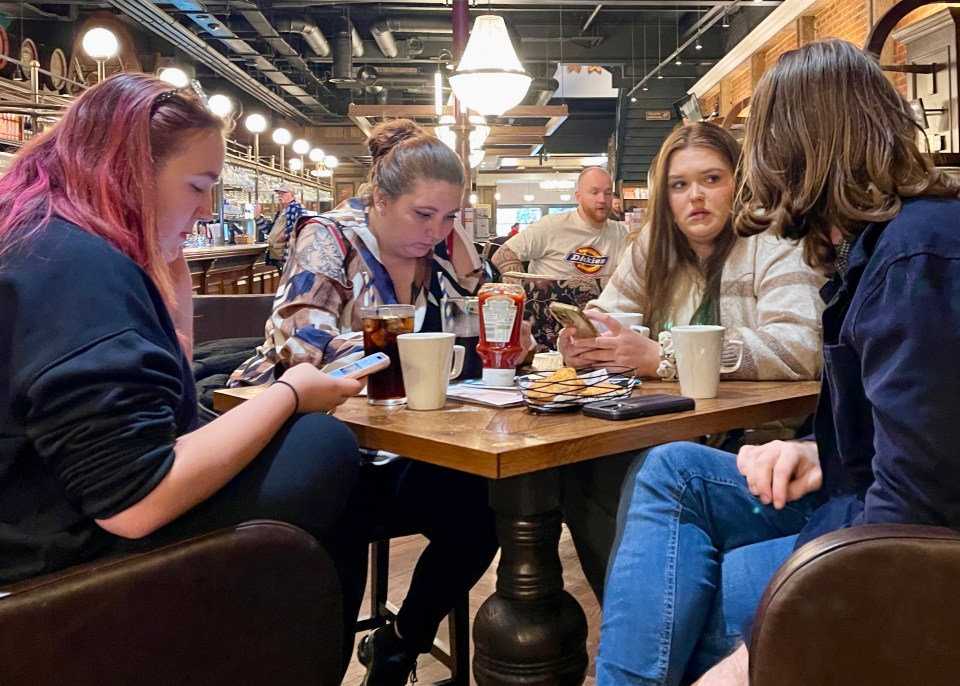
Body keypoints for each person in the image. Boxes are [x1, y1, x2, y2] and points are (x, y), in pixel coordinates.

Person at [596, 39, 960, 686]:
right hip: (850, 493)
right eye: (681, 184)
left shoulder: (914, 261)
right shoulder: (891, 246)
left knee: (697, 600)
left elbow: (915, 506)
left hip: (903, 550)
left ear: (794, 150)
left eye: (751, 154)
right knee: (670, 468)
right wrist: (822, 453)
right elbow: (928, 436)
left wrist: (746, 658)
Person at [0, 72, 365, 672]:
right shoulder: (77, 268)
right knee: (322, 445)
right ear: (127, 168)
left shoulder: (41, 236)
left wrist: (171, 278)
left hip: (34, 513)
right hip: (48, 565)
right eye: (198, 186)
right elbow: (133, 501)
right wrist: (290, 393)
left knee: (327, 485)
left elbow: (162, 392)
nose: (203, 211)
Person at [231, 119, 500, 686]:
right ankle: (321, 668)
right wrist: (397, 345)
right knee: (338, 527)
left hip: (401, 446)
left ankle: (400, 644)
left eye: (450, 216)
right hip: (321, 446)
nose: (436, 229)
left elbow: (483, 324)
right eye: (424, 214)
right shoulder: (328, 237)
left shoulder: (445, 255)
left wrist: (484, 295)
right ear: (380, 198)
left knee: (483, 510)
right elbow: (301, 343)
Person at [556, 122, 825, 601]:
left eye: (712, 179)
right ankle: (640, 619)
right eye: (679, 185)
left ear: (740, 183)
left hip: (759, 444)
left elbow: (802, 347)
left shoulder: (775, 240)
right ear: (665, 196)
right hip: (664, 429)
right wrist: (584, 343)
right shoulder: (651, 248)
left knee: (641, 474)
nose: (694, 197)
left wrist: (662, 356)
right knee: (576, 473)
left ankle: (651, 634)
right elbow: (605, 316)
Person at [492, 166, 628, 278]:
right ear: (578, 197)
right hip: (548, 309)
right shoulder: (550, 226)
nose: (602, 199)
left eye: (608, 193)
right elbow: (503, 254)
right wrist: (522, 289)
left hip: (599, 309)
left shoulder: (620, 233)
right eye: (594, 192)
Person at [265, 182, 304, 267]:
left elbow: (302, 227)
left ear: (292, 195)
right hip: (279, 254)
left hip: (291, 256)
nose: (280, 195)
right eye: (279, 193)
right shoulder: (281, 211)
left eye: (283, 193)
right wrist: (257, 218)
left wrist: (286, 234)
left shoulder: (297, 208)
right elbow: (268, 230)